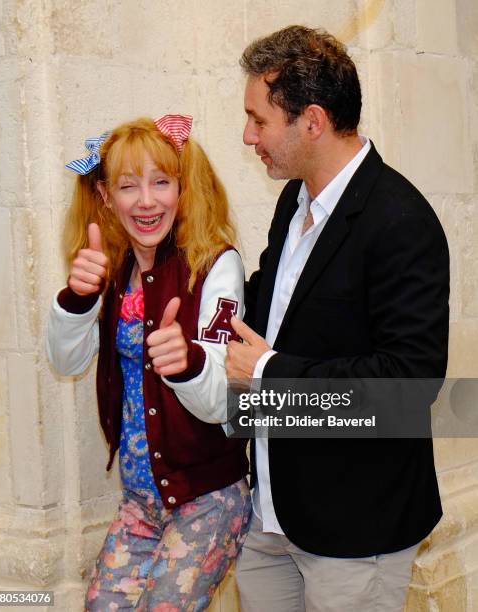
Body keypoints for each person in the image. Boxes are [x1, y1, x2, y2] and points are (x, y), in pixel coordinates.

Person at [225, 26, 450, 612]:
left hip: (355, 531)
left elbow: (405, 386)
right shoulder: (291, 200)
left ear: (312, 121)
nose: (248, 136)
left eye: (258, 119)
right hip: (272, 512)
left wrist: (271, 374)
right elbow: (272, 308)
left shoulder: (401, 221)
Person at [46, 115, 251, 611]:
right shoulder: (108, 269)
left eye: (161, 182)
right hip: (139, 499)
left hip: (209, 497)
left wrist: (189, 364)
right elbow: (66, 360)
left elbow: (223, 403)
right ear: (104, 195)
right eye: (127, 186)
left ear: (182, 189)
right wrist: (77, 297)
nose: (146, 201)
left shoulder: (215, 265)